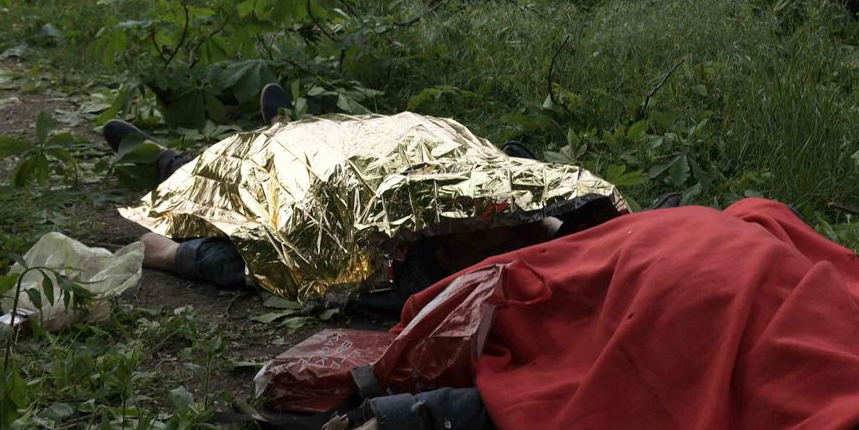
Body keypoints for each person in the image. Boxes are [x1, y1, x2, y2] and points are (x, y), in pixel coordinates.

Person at [105, 82, 620, 308]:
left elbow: (279, 269)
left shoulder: (414, 278)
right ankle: (285, 129)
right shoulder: (542, 207)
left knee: (281, 208)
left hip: (359, 221)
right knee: (368, 144)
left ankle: (172, 168)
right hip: (403, 166)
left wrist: (173, 256)